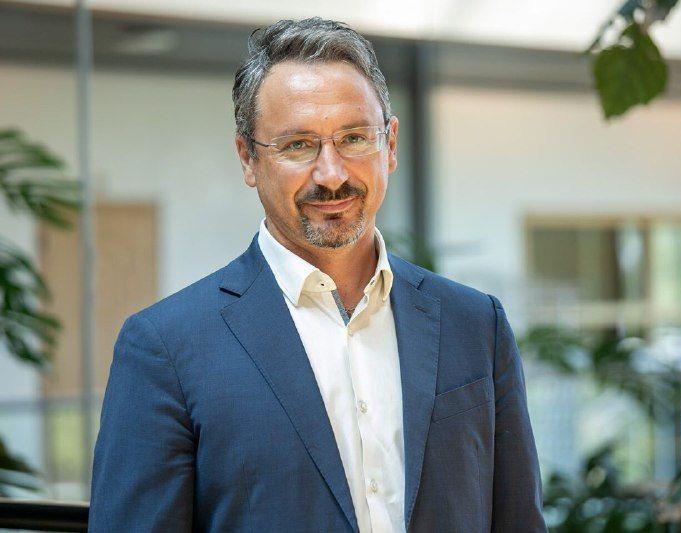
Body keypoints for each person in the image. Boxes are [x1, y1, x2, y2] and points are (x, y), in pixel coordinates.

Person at [88, 17, 547, 532]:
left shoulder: (475, 324)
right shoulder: (167, 347)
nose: (332, 175)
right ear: (248, 158)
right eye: (298, 145)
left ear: (391, 145)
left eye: (354, 138)